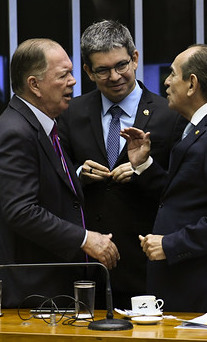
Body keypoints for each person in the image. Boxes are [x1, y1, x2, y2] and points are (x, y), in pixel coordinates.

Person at [0, 38, 120, 308]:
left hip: (42, 285)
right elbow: (21, 211)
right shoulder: (15, 133)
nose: (73, 81)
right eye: (63, 75)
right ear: (34, 85)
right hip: (24, 289)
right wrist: (84, 238)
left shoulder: (42, 126)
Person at [57, 20, 186, 308]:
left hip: (146, 261)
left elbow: (181, 191)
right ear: (88, 71)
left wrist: (145, 169)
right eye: (103, 70)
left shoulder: (171, 115)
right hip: (87, 264)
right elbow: (56, 179)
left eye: (121, 65)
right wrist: (79, 174)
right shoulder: (71, 113)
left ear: (135, 58)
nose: (115, 77)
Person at [121, 44, 207, 313]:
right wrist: (144, 164)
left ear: (192, 84)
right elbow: (185, 194)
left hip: (204, 287)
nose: (166, 82)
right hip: (186, 280)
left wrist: (171, 244)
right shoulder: (202, 127)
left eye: (172, 74)